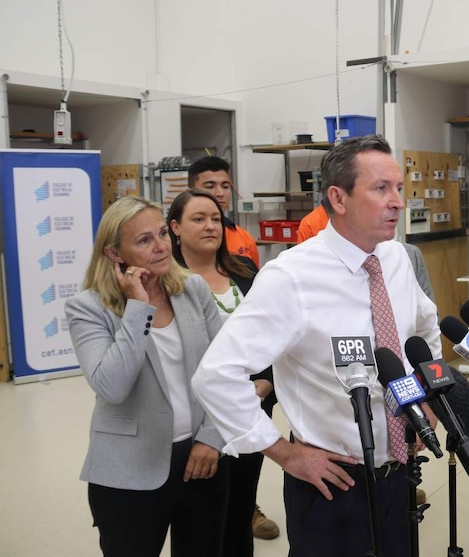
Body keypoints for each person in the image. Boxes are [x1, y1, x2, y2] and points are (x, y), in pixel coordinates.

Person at [191, 134, 441, 557]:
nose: (398, 201)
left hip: (401, 473)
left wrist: (427, 400)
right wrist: (283, 453)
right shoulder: (290, 277)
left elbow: (423, 329)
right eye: (381, 188)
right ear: (338, 198)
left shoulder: (395, 257)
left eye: (399, 187)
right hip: (331, 482)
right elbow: (216, 375)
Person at [64, 196, 228, 557]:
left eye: (161, 234)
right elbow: (112, 385)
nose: (160, 246)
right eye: (144, 240)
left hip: (201, 459)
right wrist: (138, 307)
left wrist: (212, 439)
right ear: (114, 254)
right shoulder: (89, 307)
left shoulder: (192, 289)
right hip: (128, 468)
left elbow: (224, 370)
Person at [167, 189, 278, 555]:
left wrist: (266, 383)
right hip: (197, 416)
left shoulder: (245, 273)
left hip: (251, 407)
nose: (210, 226)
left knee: (240, 507)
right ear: (175, 228)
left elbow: (274, 334)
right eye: (198, 219)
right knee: (200, 520)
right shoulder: (165, 283)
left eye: (215, 219)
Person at [297, 202, 435, 301]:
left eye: (397, 188)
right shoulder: (310, 226)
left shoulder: (408, 256)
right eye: (379, 189)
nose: (398, 204)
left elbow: (429, 323)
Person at [187, 156, 261, 269]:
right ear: (191, 191)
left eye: (225, 186)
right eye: (210, 186)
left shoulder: (243, 238)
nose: (220, 193)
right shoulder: (181, 236)